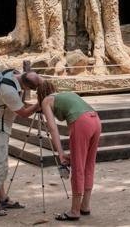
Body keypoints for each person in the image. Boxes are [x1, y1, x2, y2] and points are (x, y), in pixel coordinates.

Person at [35, 80, 101, 222]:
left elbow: (52, 128)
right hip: (95, 120)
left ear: (39, 94)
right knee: (89, 164)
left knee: (77, 167)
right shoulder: (64, 94)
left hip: (81, 123)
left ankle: (74, 211)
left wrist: (60, 154)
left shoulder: (46, 101)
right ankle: (85, 206)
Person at [0, 70, 41, 216]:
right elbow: (24, 113)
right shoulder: (8, 91)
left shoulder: (13, 74)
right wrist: (40, 104)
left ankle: (2, 198)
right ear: (26, 86)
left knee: (0, 161)